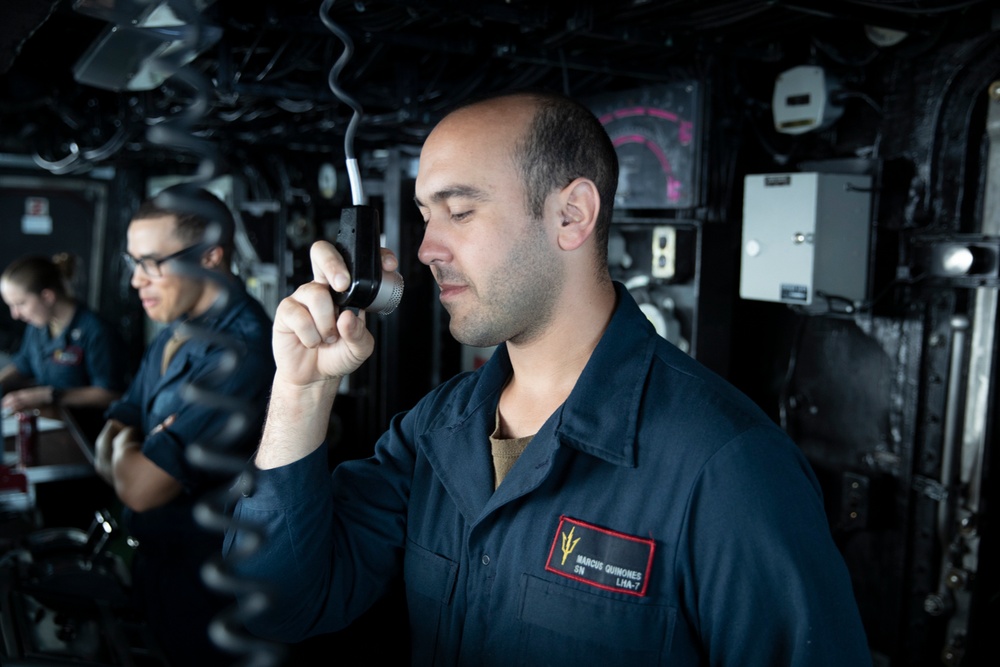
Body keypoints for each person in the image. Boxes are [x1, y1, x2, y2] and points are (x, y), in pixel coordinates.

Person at [224, 90, 872, 665]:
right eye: (426, 215)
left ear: (571, 215)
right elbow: (275, 603)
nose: (425, 248)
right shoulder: (437, 430)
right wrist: (301, 390)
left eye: (459, 211)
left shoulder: (727, 467)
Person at [96, 184, 275, 666]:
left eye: (153, 262)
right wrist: (135, 444)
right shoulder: (177, 330)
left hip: (210, 586)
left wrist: (128, 449)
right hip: (158, 563)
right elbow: (116, 424)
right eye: (134, 262)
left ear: (211, 257)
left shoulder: (239, 355)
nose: (137, 280)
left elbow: (140, 488)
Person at [0, 253, 126, 413]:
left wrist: (49, 395)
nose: (15, 314)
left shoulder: (96, 331)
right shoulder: (38, 325)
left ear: (47, 296)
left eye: (20, 304)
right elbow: (23, 365)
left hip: (84, 427)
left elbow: (111, 394)